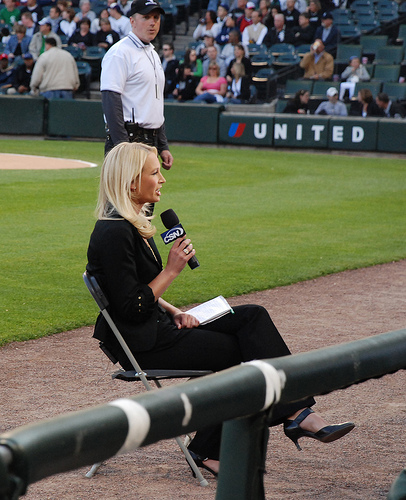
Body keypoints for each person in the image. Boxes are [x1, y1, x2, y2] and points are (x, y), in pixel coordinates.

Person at [86, 141, 355, 476]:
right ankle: (254, 430)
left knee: (253, 316)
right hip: (144, 343)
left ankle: (295, 412)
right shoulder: (114, 232)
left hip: (159, 327)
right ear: (130, 182)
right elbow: (132, 307)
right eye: (154, 173)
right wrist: (171, 271)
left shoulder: (131, 223)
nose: (162, 180)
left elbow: (135, 290)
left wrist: (174, 310)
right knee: (240, 350)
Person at [100, 0, 173, 170]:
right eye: (146, 17)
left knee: (146, 196)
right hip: (129, 139)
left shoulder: (153, 54)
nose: (152, 22)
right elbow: (110, 100)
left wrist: (163, 145)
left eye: (156, 17)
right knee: (120, 197)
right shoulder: (120, 53)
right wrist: (123, 146)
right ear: (132, 21)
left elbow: (154, 103)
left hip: (150, 140)